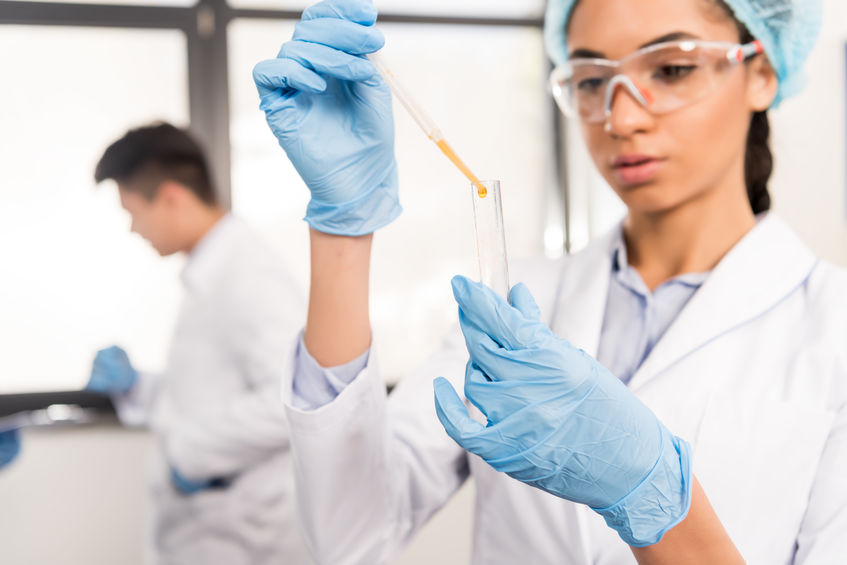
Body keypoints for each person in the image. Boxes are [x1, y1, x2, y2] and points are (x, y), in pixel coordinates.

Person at [253, 0, 846, 563]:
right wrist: (343, 226)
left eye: (670, 69)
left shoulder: (832, 326)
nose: (621, 116)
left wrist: (655, 496)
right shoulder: (516, 298)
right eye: (591, 80)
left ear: (761, 72)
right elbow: (349, 537)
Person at [87, 123, 313, 564]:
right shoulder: (212, 271)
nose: (133, 229)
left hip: (242, 541)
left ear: (171, 197)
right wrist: (139, 386)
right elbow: (213, 391)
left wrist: (189, 455)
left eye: (133, 211)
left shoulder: (251, 276)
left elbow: (296, 398)